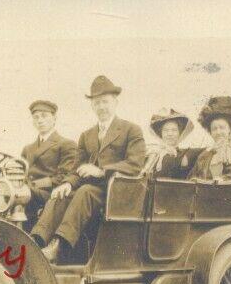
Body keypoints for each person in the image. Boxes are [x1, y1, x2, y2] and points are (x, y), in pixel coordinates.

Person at [31, 75, 146, 262]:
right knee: (60, 194)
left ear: (115, 103)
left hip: (116, 192)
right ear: (92, 106)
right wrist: (67, 183)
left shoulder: (131, 130)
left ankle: (59, 245)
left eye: (105, 102)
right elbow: (77, 168)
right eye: (97, 103)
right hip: (91, 192)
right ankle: (35, 241)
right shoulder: (87, 135)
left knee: (84, 191)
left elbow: (135, 165)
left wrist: (102, 171)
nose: (101, 107)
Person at [20, 100, 79, 229]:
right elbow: (21, 174)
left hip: (51, 195)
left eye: (44, 116)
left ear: (54, 118)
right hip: (28, 192)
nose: (40, 120)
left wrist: (33, 185)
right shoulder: (27, 149)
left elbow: (63, 178)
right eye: (36, 117)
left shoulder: (66, 145)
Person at [187, 96, 231, 180]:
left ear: (229, 129)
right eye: (214, 129)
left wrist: (223, 181)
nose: (218, 132)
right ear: (210, 132)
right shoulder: (205, 155)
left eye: (222, 128)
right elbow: (192, 177)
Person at [146, 108, 202, 179]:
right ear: (161, 133)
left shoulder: (185, 153)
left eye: (174, 130)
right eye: (165, 130)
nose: (170, 134)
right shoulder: (152, 153)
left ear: (180, 133)